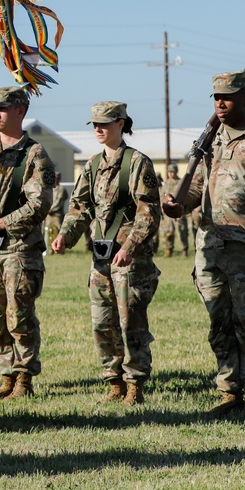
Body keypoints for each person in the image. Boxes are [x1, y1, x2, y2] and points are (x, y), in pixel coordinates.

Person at [163, 71, 245, 421]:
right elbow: (197, 188)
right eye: (216, 97)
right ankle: (229, 391)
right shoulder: (210, 140)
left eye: (229, 97)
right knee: (218, 323)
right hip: (210, 247)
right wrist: (179, 204)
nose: (221, 103)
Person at [52, 101, 161, 405]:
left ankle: (135, 384)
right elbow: (80, 207)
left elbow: (149, 212)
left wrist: (130, 246)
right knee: (102, 323)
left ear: (122, 124)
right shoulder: (92, 164)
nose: (98, 129)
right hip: (101, 259)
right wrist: (65, 236)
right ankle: (113, 382)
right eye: (95, 124)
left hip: (129, 260)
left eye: (105, 123)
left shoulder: (138, 163)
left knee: (131, 323)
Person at [0, 86, 56, 399]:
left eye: (4, 108)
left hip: (20, 249)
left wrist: (3, 222)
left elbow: (40, 204)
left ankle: (23, 377)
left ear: (20, 111)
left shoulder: (35, 154)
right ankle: (6, 374)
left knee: (19, 316)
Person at [160, 164, 189, 258]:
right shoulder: (165, 184)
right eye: (169, 172)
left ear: (176, 172)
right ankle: (168, 250)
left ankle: (184, 250)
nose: (171, 173)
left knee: (181, 231)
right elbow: (161, 196)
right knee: (168, 232)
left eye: (172, 171)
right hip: (167, 213)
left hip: (178, 212)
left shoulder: (180, 182)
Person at [44, 172, 67, 256]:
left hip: (57, 214)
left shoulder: (61, 189)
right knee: (47, 231)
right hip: (49, 215)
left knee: (60, 231)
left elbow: (59, 202)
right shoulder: (50, 189)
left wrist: (51, 209)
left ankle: (61, 249)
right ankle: (48, 250)